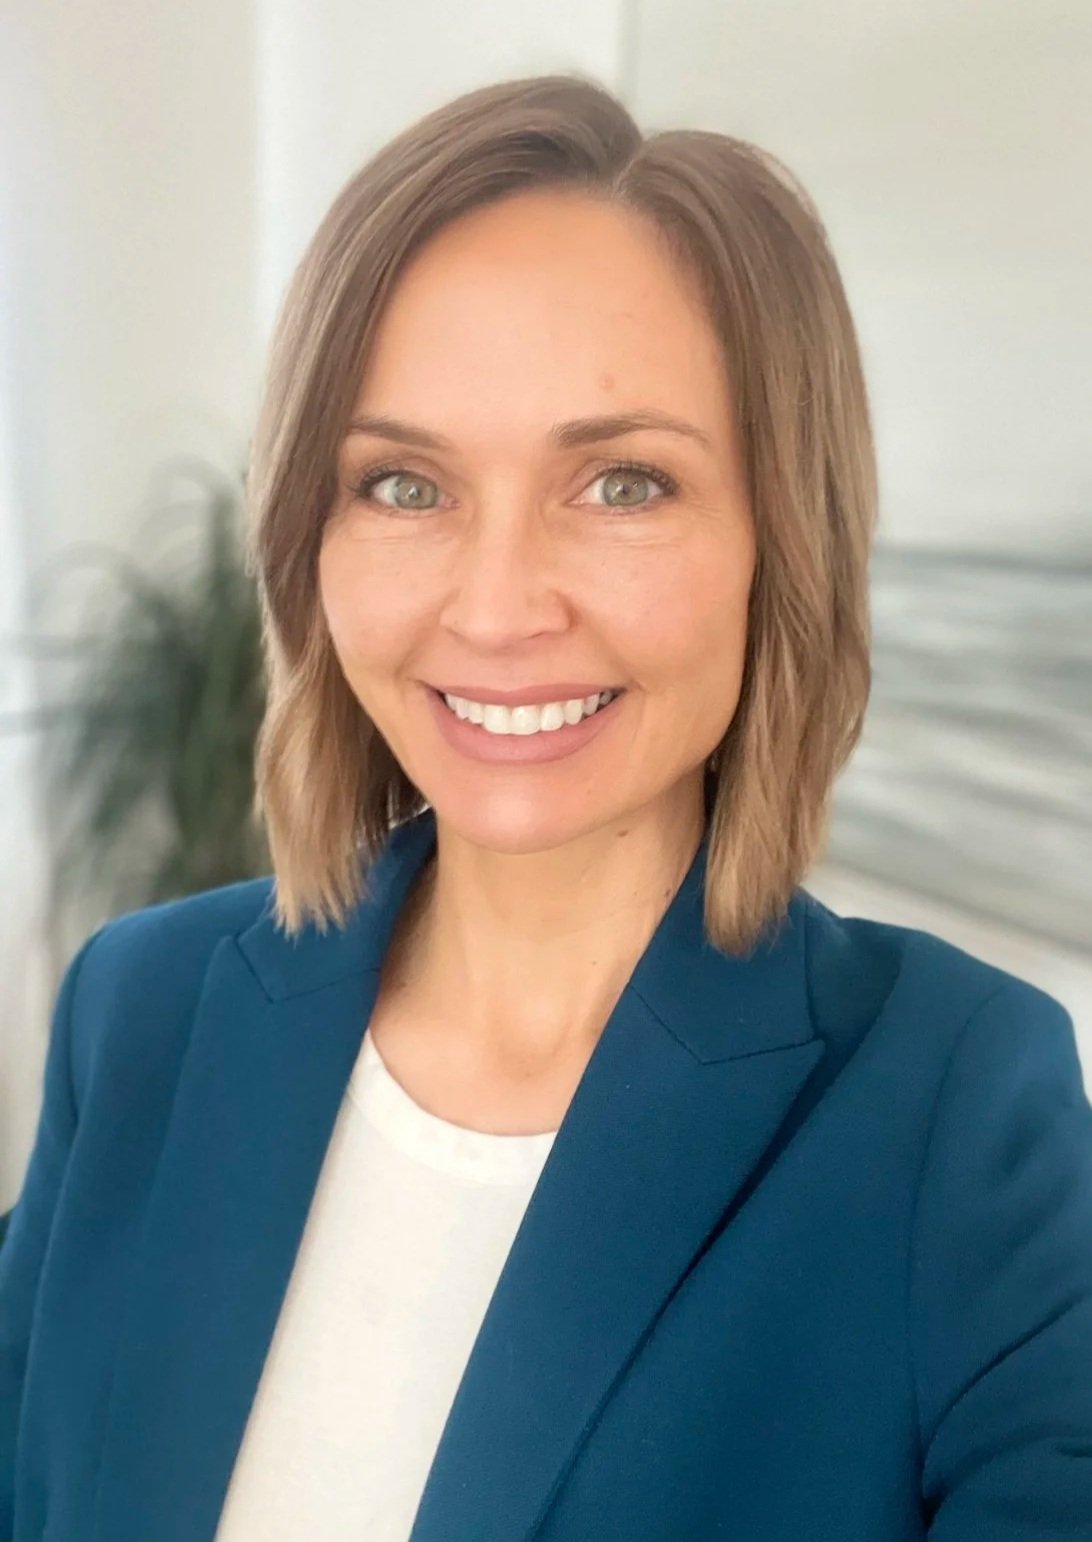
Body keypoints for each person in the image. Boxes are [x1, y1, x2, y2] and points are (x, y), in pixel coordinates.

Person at [2, 72, 1090, 1542]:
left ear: (782, 537)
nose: (498, 606)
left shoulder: (963, 1113)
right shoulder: (142, 1016)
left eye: (623, 483)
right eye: (405, 485)